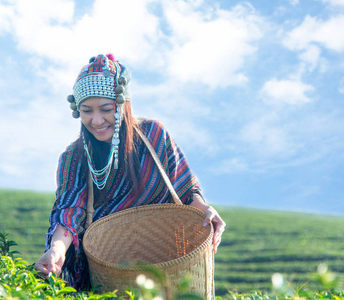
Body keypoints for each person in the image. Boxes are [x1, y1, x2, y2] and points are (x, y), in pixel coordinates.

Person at [34, 53, 226, 290]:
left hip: (168, 262)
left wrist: (205, 210)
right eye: (86, 110)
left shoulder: (153, 136)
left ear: (122, 104)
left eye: (105, 109)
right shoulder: (74, 158)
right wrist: (57, 250)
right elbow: (69, 210)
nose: (96, 120)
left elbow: (184, 191)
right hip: (110, 274)